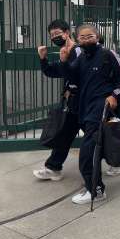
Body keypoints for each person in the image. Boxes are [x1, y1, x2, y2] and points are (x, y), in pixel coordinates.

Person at [60, 24, 120, 205]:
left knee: (87, 153)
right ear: (78, 39)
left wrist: (114, 95)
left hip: (102, 109)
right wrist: (64, 61)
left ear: (97, 37)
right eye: (82, 37)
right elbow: (72, 77)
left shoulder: (108, 54)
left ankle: (96, 190)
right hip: (86, 109)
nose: (86, 40)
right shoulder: (81, 58)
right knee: (105, 149)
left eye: (89, 36)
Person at [33, 19, 81, 181]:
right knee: (64, 135)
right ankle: (53, 168)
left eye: (57, 33)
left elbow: (75, 75)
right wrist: (43, 58)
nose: (54, 37)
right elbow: (51, 71)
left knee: (97, 138)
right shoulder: (64, 52)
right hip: (72, 103)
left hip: (85, 103)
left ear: (67, 33)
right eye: (52, 35)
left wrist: (64, 62)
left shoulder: (78, 51)